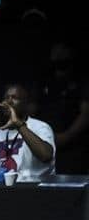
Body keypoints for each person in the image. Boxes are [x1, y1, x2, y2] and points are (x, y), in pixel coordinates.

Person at [0, 83, 55, 183]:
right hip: (4, 192)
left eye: (15, 98)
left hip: (35, 190)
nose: (9, 101)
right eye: (6, 98)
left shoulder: (40, 127)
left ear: (26, 104)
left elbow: (46, 156)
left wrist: (18, 124)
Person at [38, 42, 89, 174]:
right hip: (44, 144)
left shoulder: (81, 81)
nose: (58, 56)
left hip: (72, 145)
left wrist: (66, 136)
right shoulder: (46, 80)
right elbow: (32, 108)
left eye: (62, 52)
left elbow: (86, 113)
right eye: (55, 52)